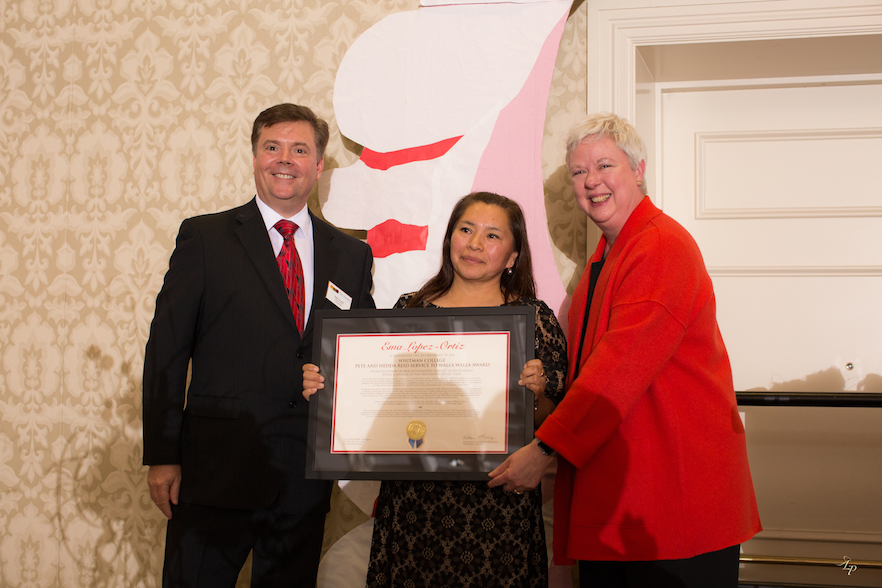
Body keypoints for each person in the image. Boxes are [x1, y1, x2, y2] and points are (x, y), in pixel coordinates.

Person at [487, 113, 762, 587]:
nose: (591, 181)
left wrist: (545, 447)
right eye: (578, 171)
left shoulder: (658, 246)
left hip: (671, 505)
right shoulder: (609, 254)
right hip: (629, 497)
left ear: (638, 169)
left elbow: (619, 368)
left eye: (605, 165)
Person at [142, 103, 376, 587]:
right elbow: (166, 350)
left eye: (299, 149)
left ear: (319, 163)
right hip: (214, 474)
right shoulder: (205, 238)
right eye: (272, 147)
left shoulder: (352, 255)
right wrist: (163, 455)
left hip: (303, 480)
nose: (284, 159)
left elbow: (362, 354)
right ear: (254, 157)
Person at [303, 192, 567, 587]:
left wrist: (538, 395)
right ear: (450, 240)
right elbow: (378, 399)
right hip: (414, 509)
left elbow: (556, 420)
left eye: (492, 236)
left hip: (498, 512)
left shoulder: (534, 320)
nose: (475, 243)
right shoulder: (409, 311)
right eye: (465, 229)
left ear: (513, 257)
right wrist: (328, 391)